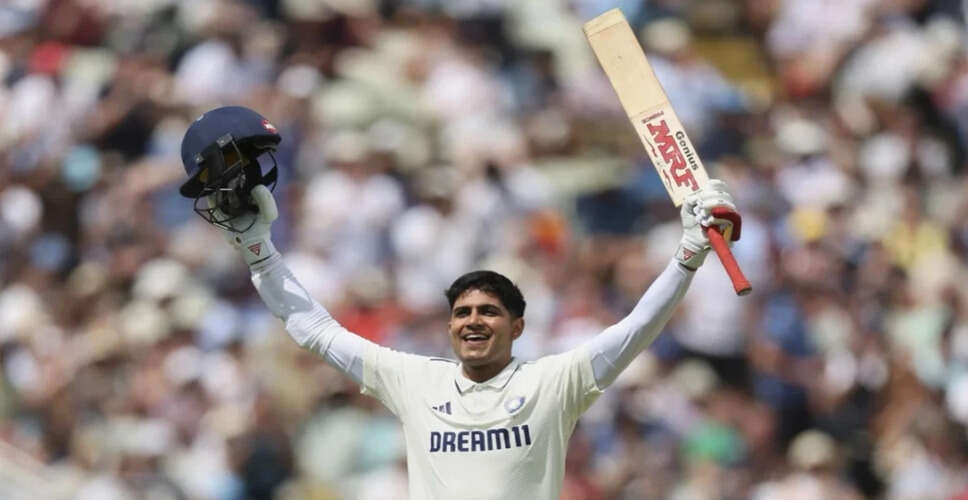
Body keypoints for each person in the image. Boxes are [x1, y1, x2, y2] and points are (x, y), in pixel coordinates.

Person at [179, 106, 739, 499]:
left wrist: (687, 253)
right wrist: (260, 255)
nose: (472, 321)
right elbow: (314, 331)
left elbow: (639, 326)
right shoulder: (415, 381)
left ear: (518, 327)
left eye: (488, 311)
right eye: (462, 313)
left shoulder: (554, 382)